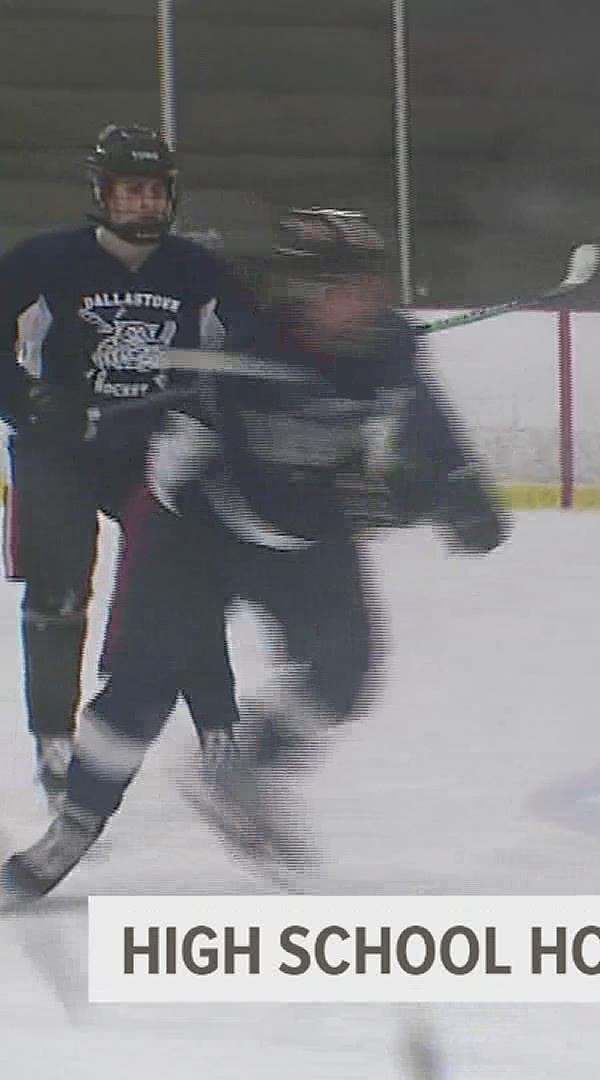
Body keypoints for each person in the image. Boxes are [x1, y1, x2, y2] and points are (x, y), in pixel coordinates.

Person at [0, 209, 511, 902]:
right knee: (141, 691)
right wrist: (365, 500)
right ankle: (75, 828)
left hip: (302, 541)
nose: (362, 301)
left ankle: (246, 772)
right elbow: (235, 485)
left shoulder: (388, 345)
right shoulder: (245, 355)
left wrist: (459, 490)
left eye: (368, 284)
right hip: (197, 535)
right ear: (301, 293)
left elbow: (424, 416)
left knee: (346, 667)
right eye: (342, 287)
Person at [0, 123, 256, 808]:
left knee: (185, 583)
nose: (142, 203)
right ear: (103, 194)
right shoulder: (45, 259)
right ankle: (55, 743)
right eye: (129, 191)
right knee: (58, 592)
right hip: (58, 451)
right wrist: (25, 401)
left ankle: (221, 735)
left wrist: (310, 350)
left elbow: (257, 335)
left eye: (153, 191)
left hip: (151, 450)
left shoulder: (197, 268)